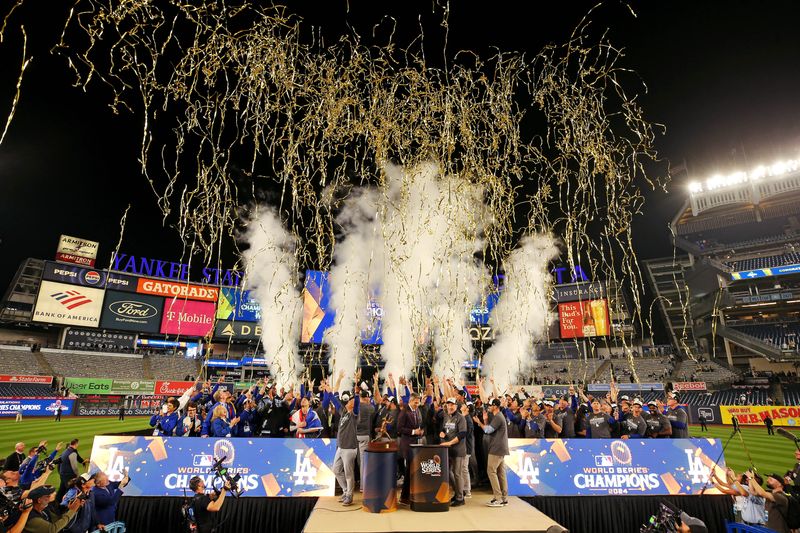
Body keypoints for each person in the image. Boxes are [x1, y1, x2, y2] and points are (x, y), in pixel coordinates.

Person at [324, 372, 360, 506]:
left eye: (350, 400)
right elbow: (334, 401)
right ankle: (345, 491)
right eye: (348, 400)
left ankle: (350, 496)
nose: (347, 401)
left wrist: (356, 393)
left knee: (349, 474)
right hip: (341, 447)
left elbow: (356, 405)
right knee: (336, 470)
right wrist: (328, 391)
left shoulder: (355, 414)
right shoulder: (343, 412)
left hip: (349, 448)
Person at [473, 398, 508, 508]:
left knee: (491, 471)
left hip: (497, 448)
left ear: (495, 406)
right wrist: (485, 421)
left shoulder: (498, 417)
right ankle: (504, 498)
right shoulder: (498, 416)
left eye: (490, 405)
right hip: (500, 448)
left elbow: (488, 431)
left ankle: (498, 498)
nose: (488, 407)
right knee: (500, 473)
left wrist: (479, 422)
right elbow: (489, 429)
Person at [397, 393, 424, 505]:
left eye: (418, 402)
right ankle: (404, 497)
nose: (417, 405)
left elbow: (418, 425)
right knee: (408, 471)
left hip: (416, 444)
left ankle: (411, 494)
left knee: (413, 471)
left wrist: (420, 432)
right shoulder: (404, 411)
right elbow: (399, 429)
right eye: (416, 402)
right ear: (410, 401)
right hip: (407, 445)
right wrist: (413, 432)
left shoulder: (417, 411)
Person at [440, 398, 466, 507]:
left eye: (452, 405)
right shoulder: (446, 416)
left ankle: (460, 498)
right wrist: (442, 433)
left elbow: (462, 434)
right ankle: (458, 492)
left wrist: (450, 442)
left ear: (456, 406)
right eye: (448, 405)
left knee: (457, 473)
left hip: (458, 450)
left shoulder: (460, 418)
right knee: (448, 472)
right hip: (448, 450)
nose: (450, 407)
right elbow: (444, 429)